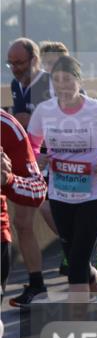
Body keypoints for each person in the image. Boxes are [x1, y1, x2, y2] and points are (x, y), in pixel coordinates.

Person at [26, 55, 97, 315]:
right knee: (78, 259)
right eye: (57, 80)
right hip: (60, 194)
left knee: (76, 262)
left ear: (79, 80)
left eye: (68, 79)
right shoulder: (44, 111)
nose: (62, 85)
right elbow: (31, 143)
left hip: (93, 195)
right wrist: (38, 156)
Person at [6, 38, 50, 298]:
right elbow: (21, 125)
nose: (15, 68)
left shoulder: (51, 83)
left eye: (20, 63)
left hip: (54, 159)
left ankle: (88, 262)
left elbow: (68, 119)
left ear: (35, 59)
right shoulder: (16, 86)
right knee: (22, 222)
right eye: (11, 64)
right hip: (30, 161)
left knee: (55, 214)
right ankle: (37, 284)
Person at [1, 110, 47, 298]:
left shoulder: (6, 126)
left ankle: (83, 268)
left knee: (25, 224)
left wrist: (8, 180)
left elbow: (38, 188)